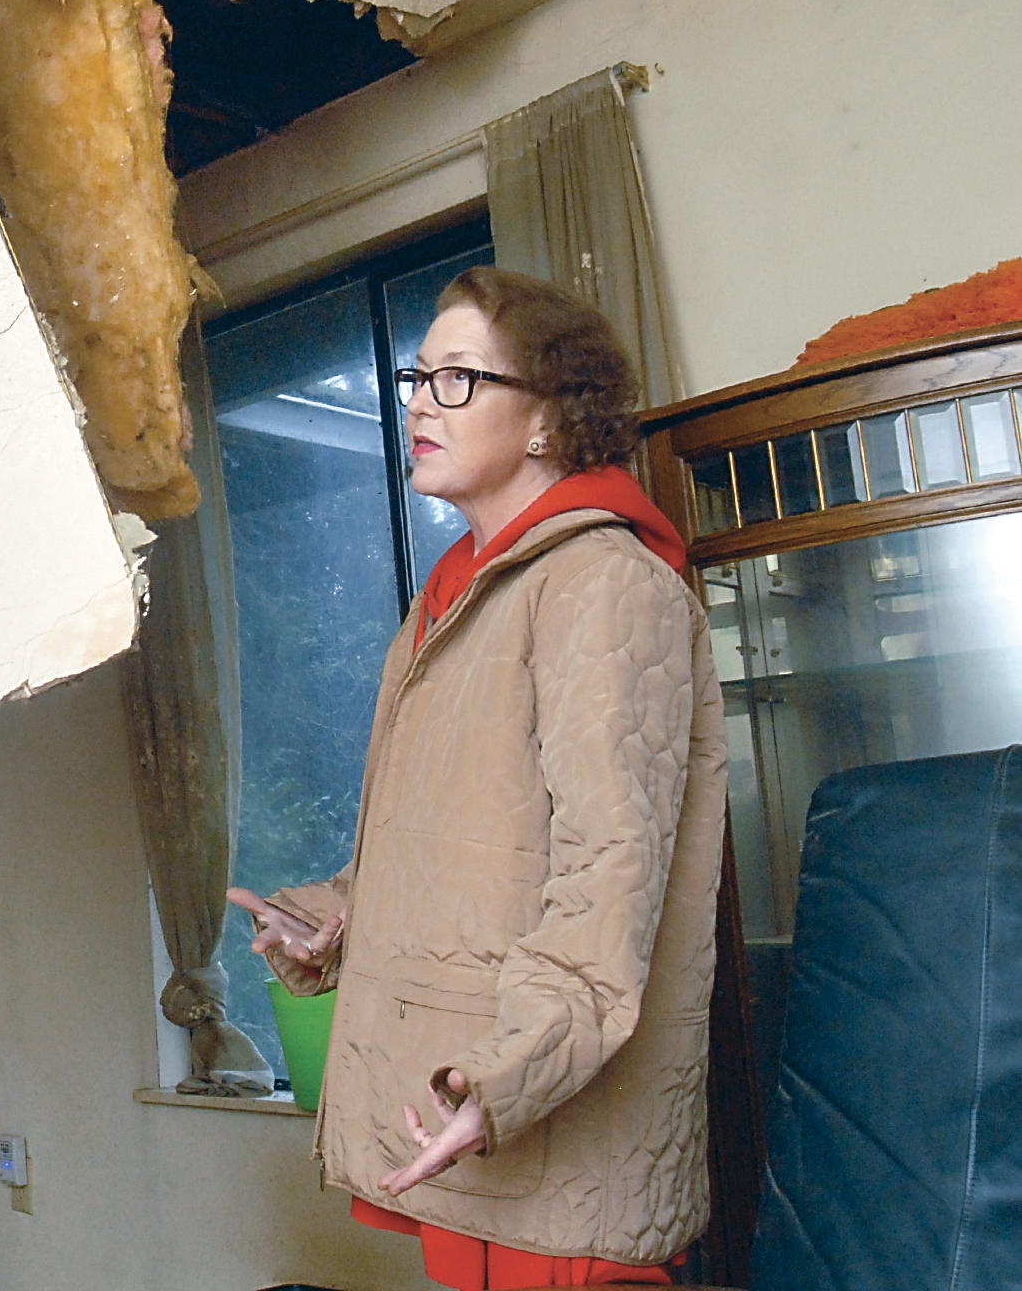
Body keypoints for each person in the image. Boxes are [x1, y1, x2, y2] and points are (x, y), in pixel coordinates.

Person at [227, 267, 728, 1290]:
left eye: (456, 378)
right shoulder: (456, 593)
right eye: (416, 377)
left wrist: (507, 1078)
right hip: (477, 1106)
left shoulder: (602, 582)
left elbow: (609, 875)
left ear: (547, 418)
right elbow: (467, 844)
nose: (419, 402)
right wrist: (329, 920)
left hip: (546, 1128)